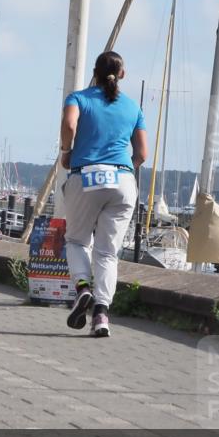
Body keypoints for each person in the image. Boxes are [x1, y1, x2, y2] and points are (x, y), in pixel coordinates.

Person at [61, 51, 147, 338]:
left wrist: (67, 152)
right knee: (108, 252)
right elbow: (142, 153)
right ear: (121, 74)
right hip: (123, 181)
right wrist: (124, 169)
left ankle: (83, 288)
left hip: (86, 175)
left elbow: (70, 125)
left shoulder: (79, 98)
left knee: (76, 240)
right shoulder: (133, 107)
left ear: (94, 72)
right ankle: (101, 314)